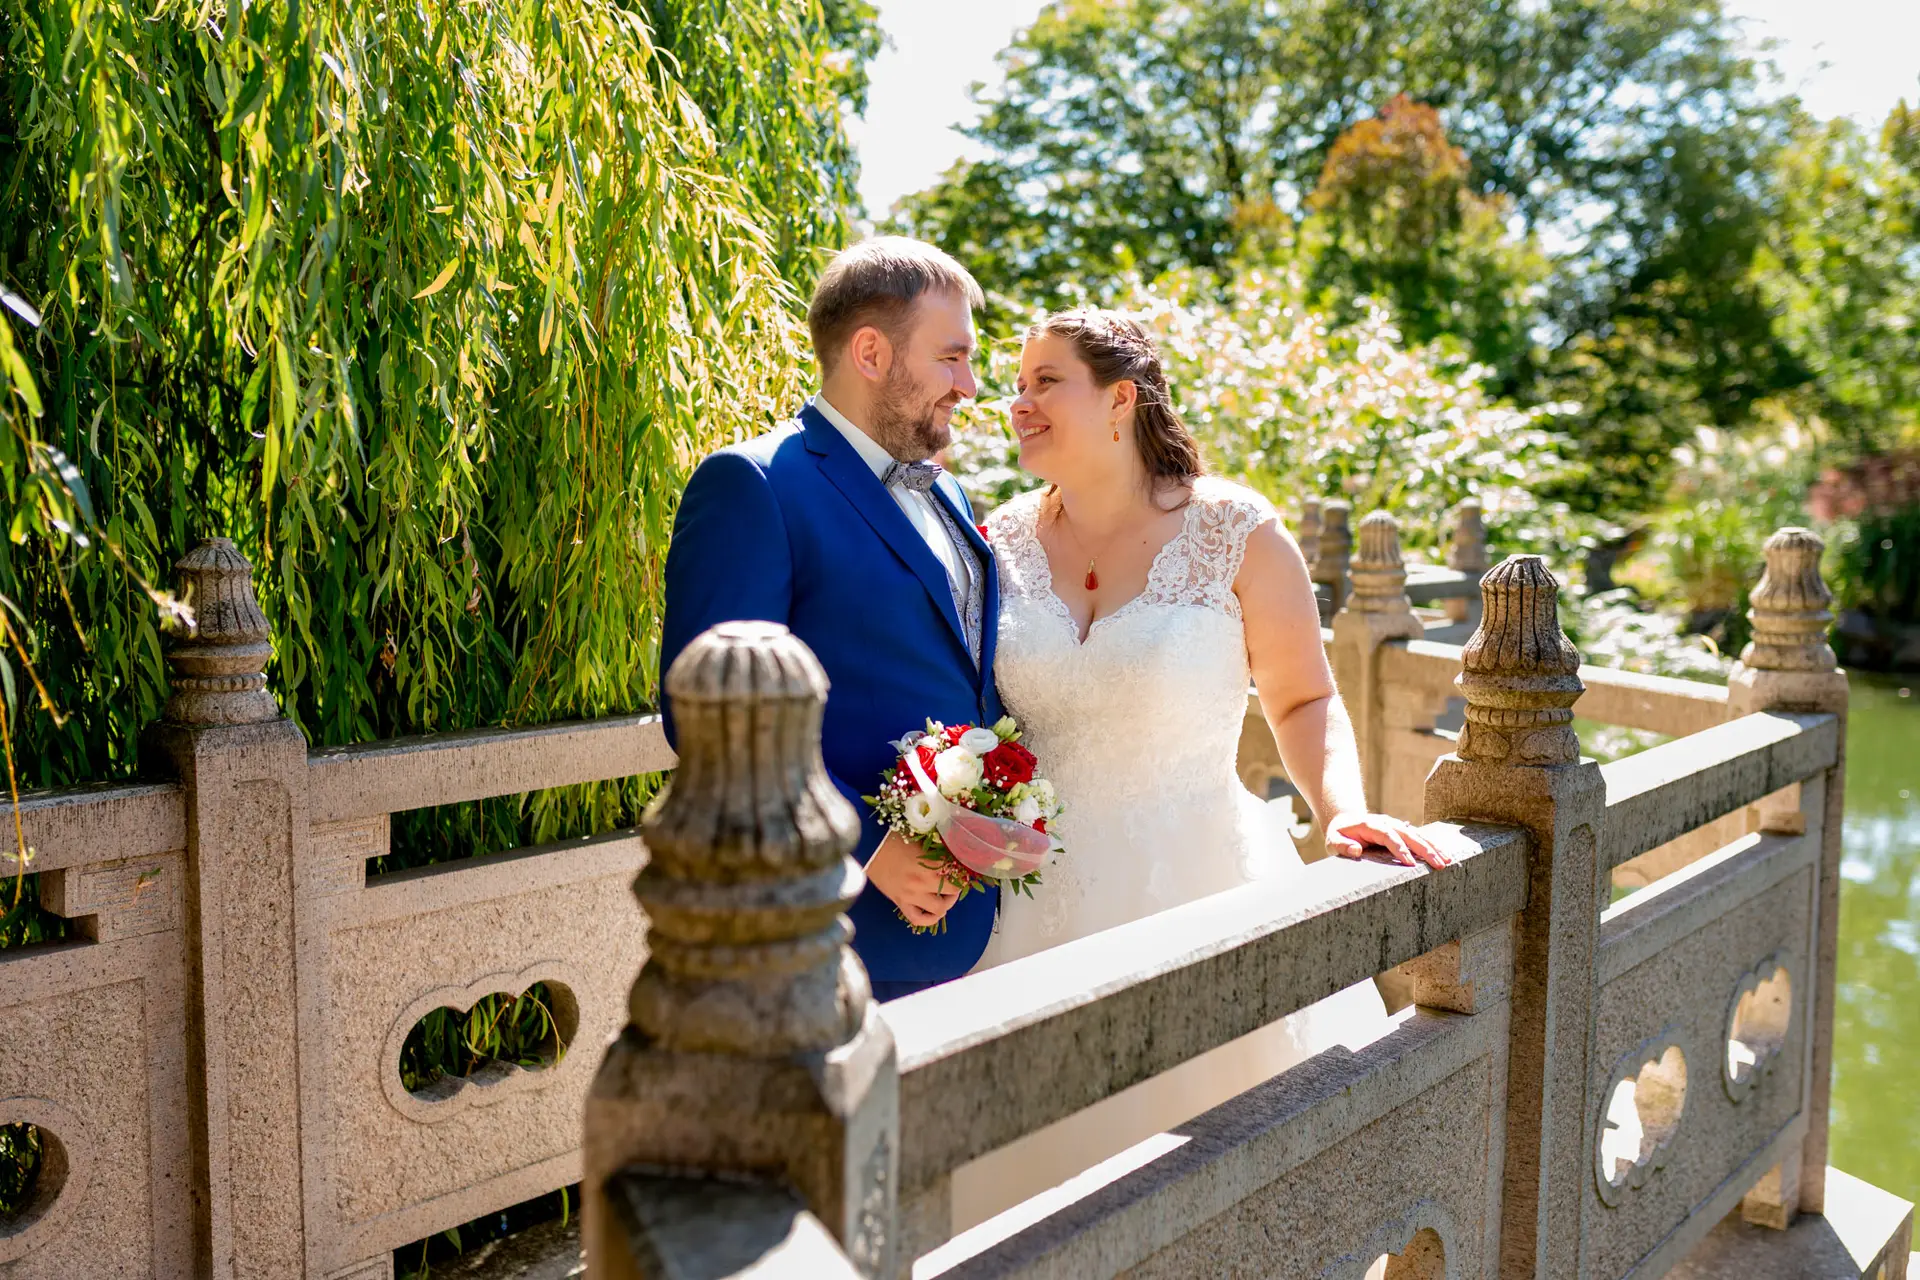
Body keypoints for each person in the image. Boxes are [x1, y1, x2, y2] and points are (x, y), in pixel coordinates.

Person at [944, 308, 1452, 1236]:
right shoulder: (998, 542)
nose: (1015, 404)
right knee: (1021, 1207)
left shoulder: (1235, 531)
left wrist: (1341, 812)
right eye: (1015, 385)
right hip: (1025, 913)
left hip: (1199, 892)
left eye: (1043, 382)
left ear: (1122, 400)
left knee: (1211, 1192)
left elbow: (1303, 700)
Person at [659, 237, 1001, 1001]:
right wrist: (873, 846)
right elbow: (710, 716)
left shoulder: (946, 494)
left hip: (963, 925)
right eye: (951, 358)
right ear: (871, 352)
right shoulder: (754, 483)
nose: (970, 385)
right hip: (823, 935)